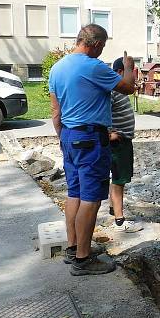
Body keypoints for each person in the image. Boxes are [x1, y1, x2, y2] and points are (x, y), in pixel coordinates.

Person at [49, 24, 136, 275]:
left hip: (68, 135)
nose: (102, 51)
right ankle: (83, 260)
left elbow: (56, 112)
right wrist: (128, 66)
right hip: (90, 139)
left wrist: (64, 138)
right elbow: (128, 87)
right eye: (103, 46)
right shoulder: (92, 66)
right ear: (96, 44)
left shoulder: (57, 68)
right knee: (91, 198)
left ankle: (73, 247)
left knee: (74, 193)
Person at [108, 56, 143, 233]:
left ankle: (113, 209)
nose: (133, 78)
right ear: (121, 72)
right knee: (119, 179)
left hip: (123, 140)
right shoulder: (114, 89)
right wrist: (109, 133)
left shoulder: (120, 89)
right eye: (131, 73)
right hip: (118, 142)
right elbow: (103, 112)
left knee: (117, 178)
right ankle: (120, 221)